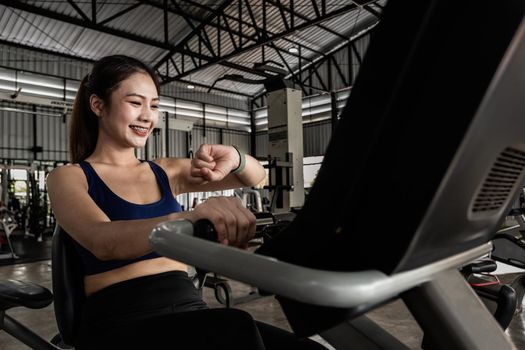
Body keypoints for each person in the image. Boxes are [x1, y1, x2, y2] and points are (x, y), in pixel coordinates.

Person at [47, 55, 326, 349]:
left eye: (154, 105)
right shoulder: (69, 176)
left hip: (189, 310)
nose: (147, 115)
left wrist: (236, 156)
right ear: (98, 105)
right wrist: (190, 218)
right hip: (120, 321)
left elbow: (253, 177)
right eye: (135, 102)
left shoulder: (165, 171)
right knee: (234, 329)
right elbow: (103, 242)